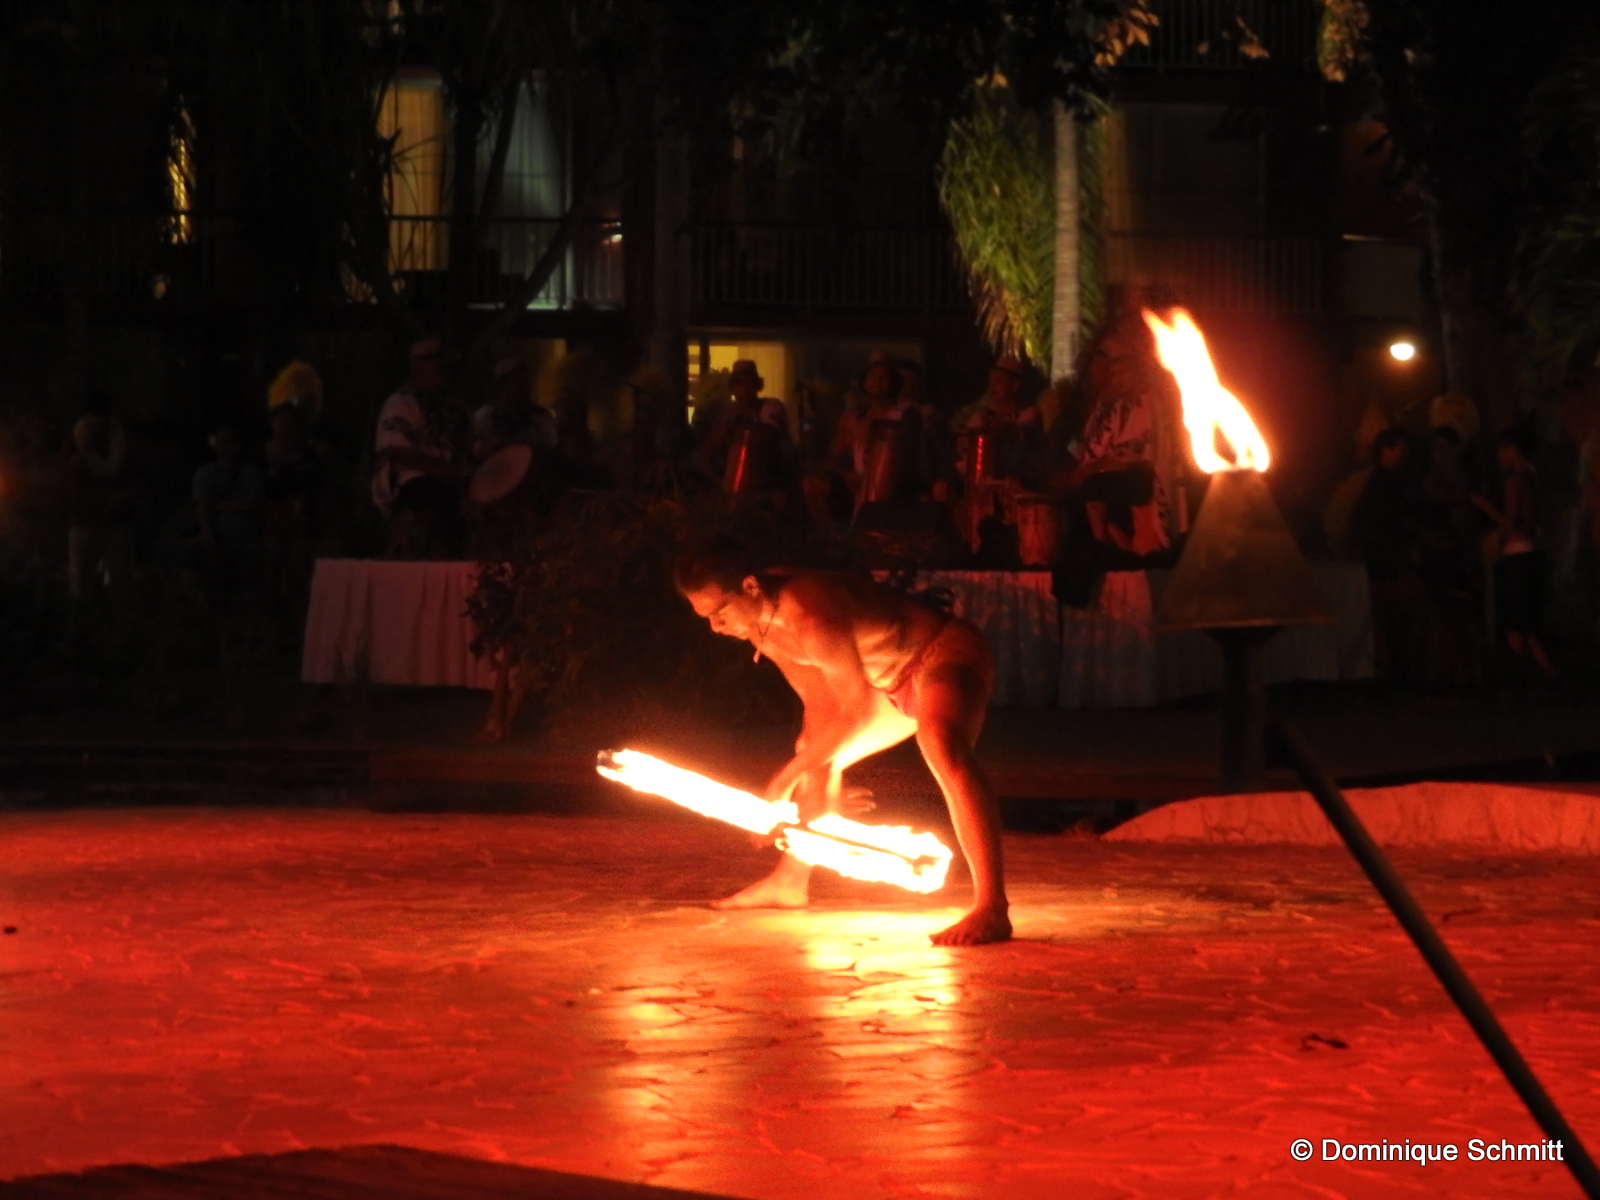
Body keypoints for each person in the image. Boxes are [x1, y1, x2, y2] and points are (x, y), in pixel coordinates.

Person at [675, 538, 1010, 947]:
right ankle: (789, 882)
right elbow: (822, 706)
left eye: (720, 611)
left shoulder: (810, 612)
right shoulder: (763, 629)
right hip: (885, 687)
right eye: (706, 617)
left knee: (939, 742)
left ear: (749, 587)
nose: (716, 626)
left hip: (939, 655)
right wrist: (819, 776)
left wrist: (781, 784)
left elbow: (858, 712)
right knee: (812, 753)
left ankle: (991, 907)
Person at [1473, 428, 1556, 680]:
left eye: (1501, 450)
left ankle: (1519, 673)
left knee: (1513, 619)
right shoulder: (1533, 475)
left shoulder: (1514, 480)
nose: (1498, 455)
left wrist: (1484, 506)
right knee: (1526, 619)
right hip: (1533, 551)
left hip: (1516, 553)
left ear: (1511, 450)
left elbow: (1509, 522)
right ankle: (1546, 671)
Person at [373, 337, 467, 558]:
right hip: (414, 484)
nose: (446, 372)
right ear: (420, 368)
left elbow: (472, 440)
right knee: (434, 497)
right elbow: (394, 447)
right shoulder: (400, 403)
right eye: (440, 366)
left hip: (451, 480)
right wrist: (438, 469)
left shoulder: (453, 406)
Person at [64, 398, 137, 606]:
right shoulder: (73, 440)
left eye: (98, 417)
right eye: (91, 417)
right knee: (79, 582)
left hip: (116, 523)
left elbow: (136, 480)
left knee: (120, 583)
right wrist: (83, 450)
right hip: (82, 521)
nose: (94, 422)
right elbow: (65, 474)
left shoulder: (122, 443)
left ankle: (119, 627)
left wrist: (121, 497)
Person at [191, 424, 264, 615]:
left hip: (247, 540)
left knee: (248, 592)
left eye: (230, 443)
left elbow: (254, 503)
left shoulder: (250, 472)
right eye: (222, 442)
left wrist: (222, 506)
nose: (226, 447)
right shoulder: (205, 473)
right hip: (219, 540)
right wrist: (207, 532)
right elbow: (203, 507)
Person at [471, 356, 557, 458]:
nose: (526, 387)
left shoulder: (540, 418)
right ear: (503, 386)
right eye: (519, 381)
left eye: (526, 381)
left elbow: (552, 450)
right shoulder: (485, 418)